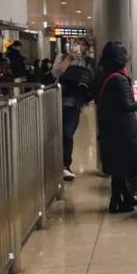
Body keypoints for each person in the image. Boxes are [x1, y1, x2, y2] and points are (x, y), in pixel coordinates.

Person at [95, 41, 137, 213]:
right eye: (124, 54)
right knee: (125, 166)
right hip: (122, 132)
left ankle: (123, 200)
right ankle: (118, 202)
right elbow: (127, 106)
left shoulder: (104, 75)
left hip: (110, 129)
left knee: (119, 168)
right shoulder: (118, 79)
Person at [52, 38, 96, 181]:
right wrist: (69, 59)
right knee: (53, 136)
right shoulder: (62, 57)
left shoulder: (89, 62)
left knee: (67, 134)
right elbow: (55, 74)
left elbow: (91, 81)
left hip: (74, 104)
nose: (79, 46)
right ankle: (55, 165)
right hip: (56, 102)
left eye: (83, 44)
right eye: (77, 43)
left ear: (87, 48)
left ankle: (65, 165)